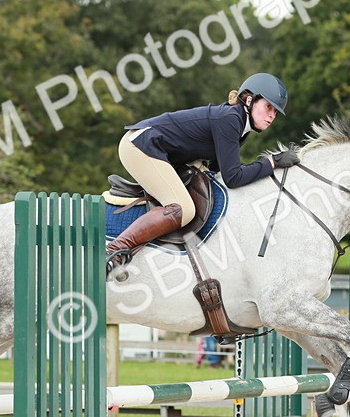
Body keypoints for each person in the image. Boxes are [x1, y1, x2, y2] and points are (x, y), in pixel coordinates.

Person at [106, 73, 299, 270]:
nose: (271, 116)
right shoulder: (230, 119)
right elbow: (233, 177)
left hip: (154, 148)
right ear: (249, 99)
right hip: (141, 145)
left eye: (275, 112)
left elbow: (217, 170)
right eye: (268, 107)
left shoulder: (241, 126)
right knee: (183, 208)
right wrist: (271, 162)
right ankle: (115, 251)